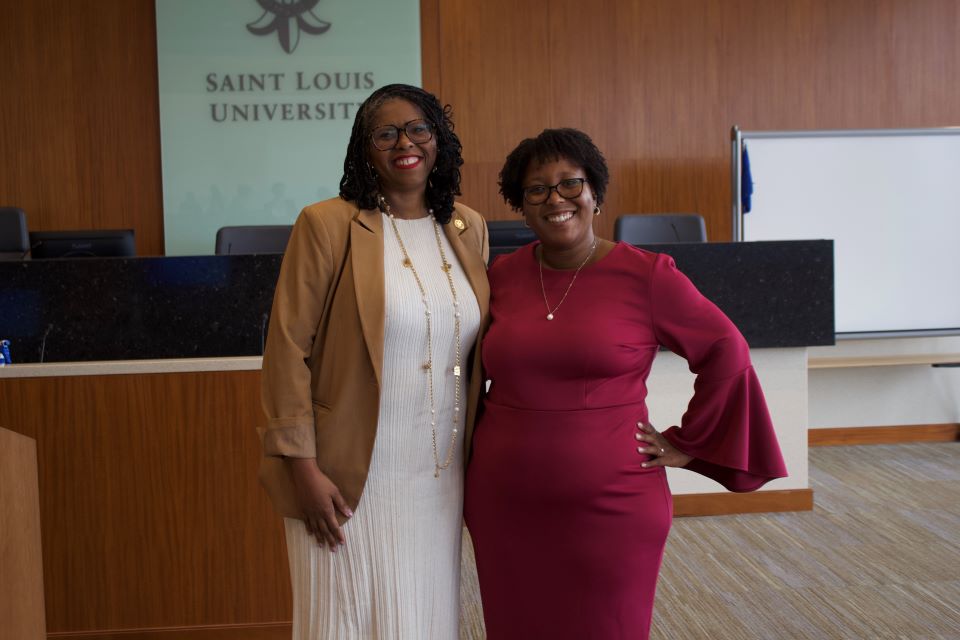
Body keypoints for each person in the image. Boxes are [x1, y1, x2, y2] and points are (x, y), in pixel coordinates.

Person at [464, 128, 787, 639]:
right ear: (520, 208)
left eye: (571, 183)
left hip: (611, 505)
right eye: (537, 189)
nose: (556, 198)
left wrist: (688, 444)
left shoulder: (647, 276)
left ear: (596, 194)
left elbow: (727, 351)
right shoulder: (499, 276)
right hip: (505, 501)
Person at [259, 84, 490, 639]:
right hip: (345, 476)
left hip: (438, 474)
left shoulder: (467, 227)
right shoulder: (327, 224)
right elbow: (287, 349)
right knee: (343, 618)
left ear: (439, 141)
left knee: (423, 617)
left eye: (418, 129)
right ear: (364, 150)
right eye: (384, 134)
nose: (403, 143)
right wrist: (303, 468)